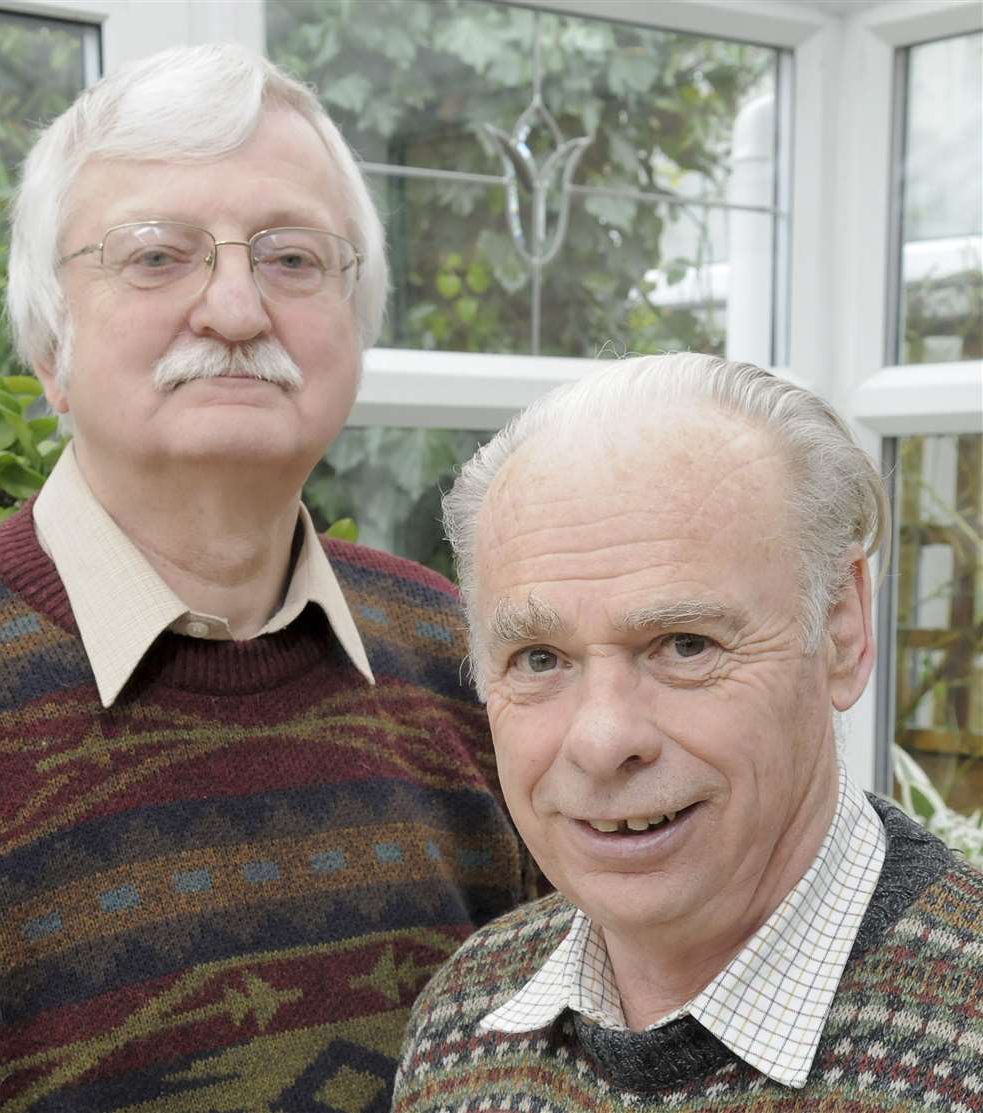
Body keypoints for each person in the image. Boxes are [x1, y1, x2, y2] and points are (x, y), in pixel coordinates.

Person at [0, 44, 534, 1111]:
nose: (237, 311)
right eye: (157, 257)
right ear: (49, 352)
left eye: (293, 259)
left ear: (356, 329)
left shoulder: (472, 661)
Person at [393, 353, 983, 1111]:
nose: (602, 740)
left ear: (841, 628)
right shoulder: (463, 1019)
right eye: (540, 657)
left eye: (685, 644)